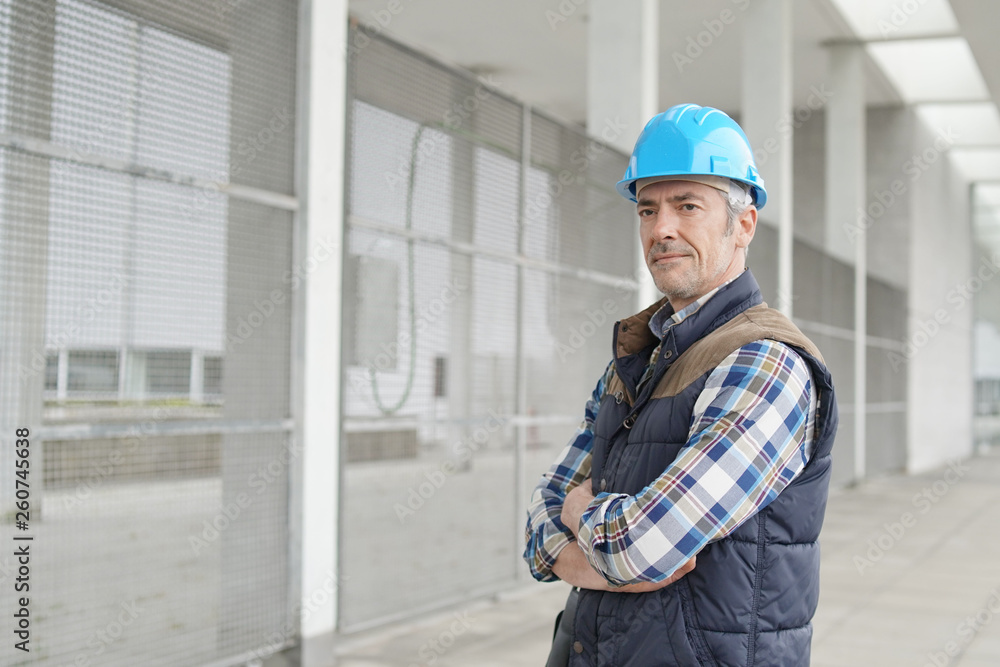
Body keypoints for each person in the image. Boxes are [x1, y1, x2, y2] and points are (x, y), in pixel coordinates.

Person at [523, 103, 839, 666]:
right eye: (647, 210)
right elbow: (544, 512)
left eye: (686, 206)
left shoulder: (765, 364)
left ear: (743, 224)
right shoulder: (638, 355)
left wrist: (582, 518)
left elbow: (639, 550)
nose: (661, 228)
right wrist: (580, 548)